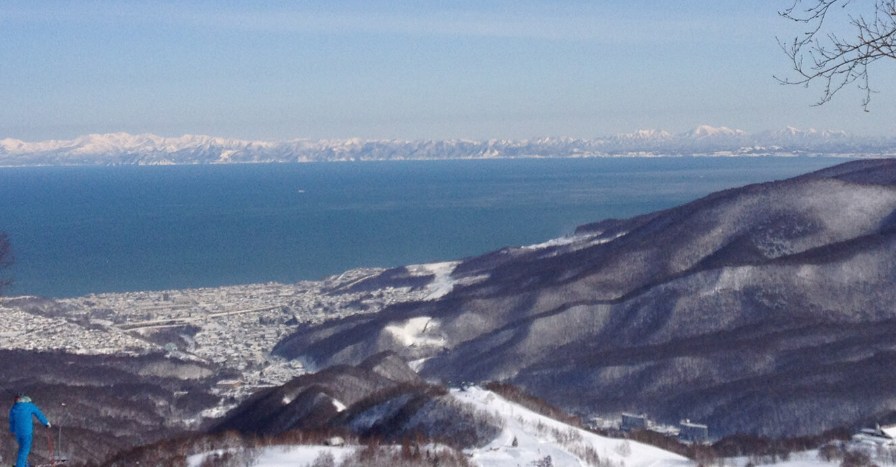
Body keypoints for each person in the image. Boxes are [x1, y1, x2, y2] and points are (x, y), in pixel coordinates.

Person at [8, 394, 50, 467]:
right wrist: (46, 423)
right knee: (24, 451)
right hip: (27, 432)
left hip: (18, 433)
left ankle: (24, 464)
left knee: (22, 449)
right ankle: (20, 465)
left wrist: (12, 430)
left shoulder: (14, 408)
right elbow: (39, 414)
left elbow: (12, 420)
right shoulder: (30, 406)